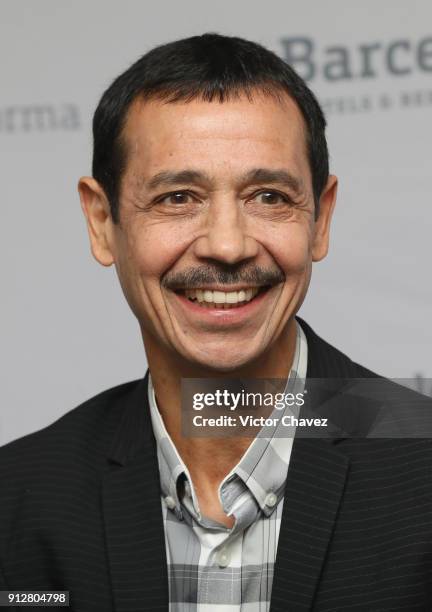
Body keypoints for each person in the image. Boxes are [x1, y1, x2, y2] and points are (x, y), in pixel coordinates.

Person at [1, 33, 431, 612]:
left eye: (269, 197)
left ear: (321, 219)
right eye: (178, 197)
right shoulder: (17, 498)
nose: (227, 245)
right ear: (102, 222)